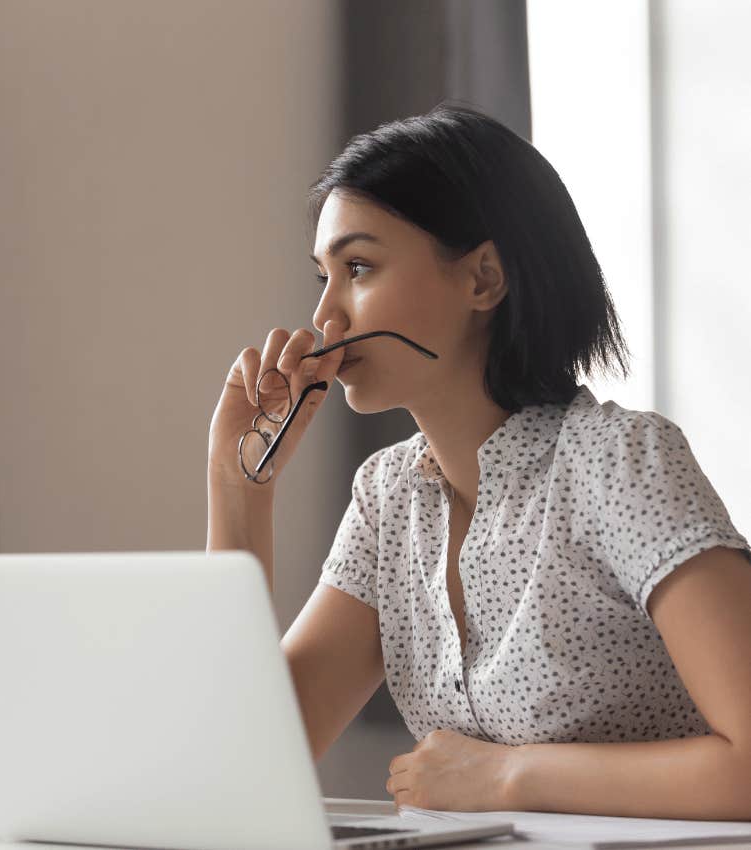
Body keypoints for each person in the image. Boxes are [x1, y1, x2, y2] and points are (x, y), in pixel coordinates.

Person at [206, 103, 751, 819]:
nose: (327, 320)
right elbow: (240, 762)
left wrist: (507, 778)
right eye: (323, 278)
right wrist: (237, 485)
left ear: (484, 280)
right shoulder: (387, 497)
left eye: (359, 267)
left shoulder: (619, 462)